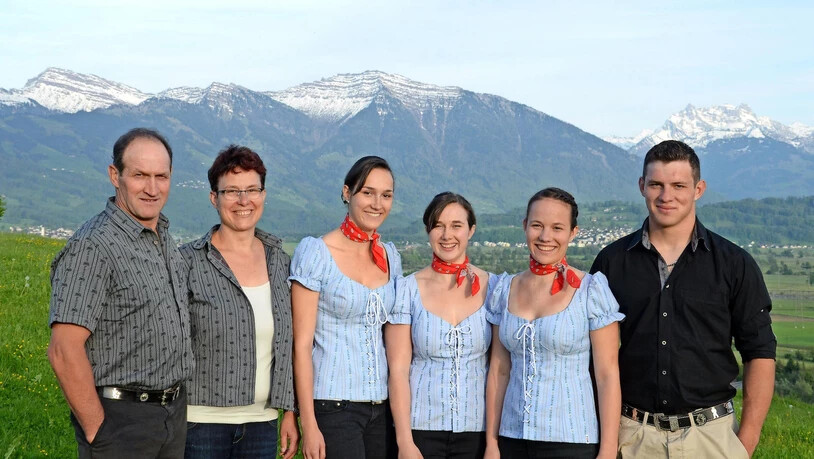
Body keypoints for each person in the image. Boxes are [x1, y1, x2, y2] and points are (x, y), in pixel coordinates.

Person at [590, 140, 776, 458]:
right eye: (656, 184)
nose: (666, 196)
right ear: (641, 186)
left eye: (678, 185)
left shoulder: (734, 264)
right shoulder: (611, 262)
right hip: (633, 437)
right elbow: (594, 358)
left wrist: (744, 445)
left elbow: (759, 353)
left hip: (712, 439)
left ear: (698, 189)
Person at [48, 128, 193, 458]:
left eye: (161, 176)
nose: (152, 188)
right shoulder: (93, 247)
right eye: (140, 175)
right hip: (121, 421)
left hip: (171, 416)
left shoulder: (162, 238)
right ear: (116, 175)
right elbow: (63, 350)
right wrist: (99, 433)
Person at [485, 187, 623, 459]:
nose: (546, 237)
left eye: (557, 228)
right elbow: (499, 371)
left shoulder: (590, 290)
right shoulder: (504, 289)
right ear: (525, 226)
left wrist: (607, 450)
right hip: (512, 438)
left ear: (573, 232)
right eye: (537, 225)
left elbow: (607, 375)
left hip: (571, 440)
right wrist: (492, 442)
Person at [180, 145, 299, 458]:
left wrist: (289, 411)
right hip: (200, 423)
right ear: (213, 198)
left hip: (262, 424)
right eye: (232, 191)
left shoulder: (280, 263)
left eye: (252, 190)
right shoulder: (188, 263)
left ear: (264, 194)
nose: (244, 201)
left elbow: (289, 344)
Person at [290, 155, 403, 459]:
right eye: (367, 192)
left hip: (381, 408)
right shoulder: (316, 252)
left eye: (386, 195)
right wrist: (308, 422)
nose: (377, 203)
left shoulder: (391, 257)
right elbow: (300, 345)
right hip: (332, 406)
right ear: (346, 192)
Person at [386, 192, 496, 459]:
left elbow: (499, 370)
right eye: (438, 225)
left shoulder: (495, 288)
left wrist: (493, 443)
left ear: (471, 230)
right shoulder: (407, 290)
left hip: (477, 432)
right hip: (421, 430)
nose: (447, 235)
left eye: (456, 225)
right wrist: (405, 442)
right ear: (428, 230)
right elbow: (398, 371)